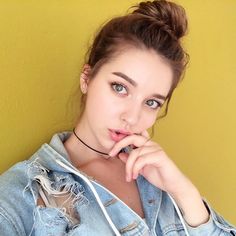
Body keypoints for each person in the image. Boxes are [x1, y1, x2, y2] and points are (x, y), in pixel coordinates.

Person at [0, 0, 235, 235]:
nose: (132, 117)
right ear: (87, 78)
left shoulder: (159, 178)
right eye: (120, 87)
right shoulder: (23, 193)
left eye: (151, 102)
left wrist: (183, 191)